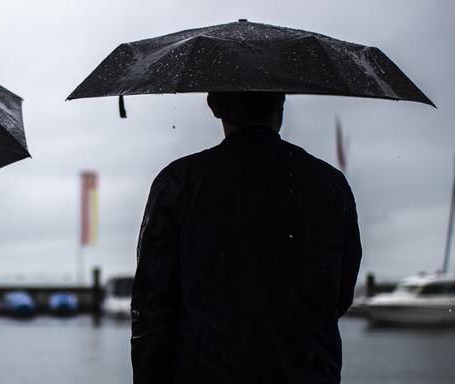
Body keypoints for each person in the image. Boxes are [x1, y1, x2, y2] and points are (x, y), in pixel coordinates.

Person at [131, 92, 362, 384]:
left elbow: (152, 309)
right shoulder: (330, 185)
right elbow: (340, 294)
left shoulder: (178, 183)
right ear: (281, 105)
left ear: (214, 106)